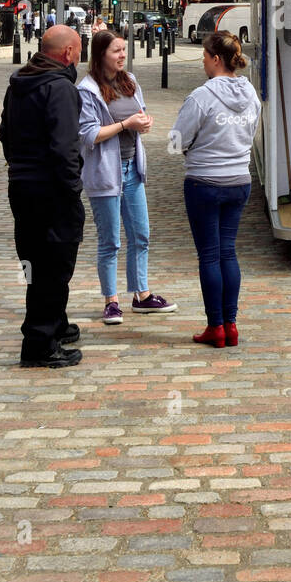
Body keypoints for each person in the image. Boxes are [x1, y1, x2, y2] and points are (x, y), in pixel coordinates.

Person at [0, 25, 84, 369]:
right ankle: (39, 342)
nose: (79, 57)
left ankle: (54, 324)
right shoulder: (60, 88)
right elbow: (65, 147)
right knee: (53, 264)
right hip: (51, 189)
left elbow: (5, 134)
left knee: (34, 260)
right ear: (67, 53)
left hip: (22, 185)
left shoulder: (19, 83)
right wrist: (72, 187)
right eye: (79, 50)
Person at [77, 30, 176, 324]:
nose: (122, 55)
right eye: (116, 51)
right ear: (100, 55)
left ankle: (142, 296)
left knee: (140, 234)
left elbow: (140, 113)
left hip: (132, 168)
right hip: (105, 172)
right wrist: (125, 124)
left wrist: (143, 122)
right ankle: (111, 301)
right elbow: (89, 135)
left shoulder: (130, 81)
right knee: (110, 241)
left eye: (123, 50)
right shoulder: (88, 90)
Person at [171, 31, 262, 348]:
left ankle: (215, 326)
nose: (203, 64)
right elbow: (252, 131)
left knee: (209, 255)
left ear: (216, 59)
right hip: (239, 180)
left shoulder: (201, 96)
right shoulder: (250, 93)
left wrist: (194, 148)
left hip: (205, 181)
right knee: (227, 252)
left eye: (205, 58)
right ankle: (231, 324)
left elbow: (177, 141)